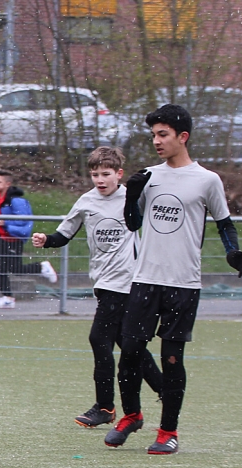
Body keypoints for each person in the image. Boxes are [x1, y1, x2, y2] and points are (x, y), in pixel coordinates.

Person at [104, 104, 242, 454]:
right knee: (130, 352)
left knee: (172, 359)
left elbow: (225, 223)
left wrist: (233, 252)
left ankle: (168, 431)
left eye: (163, 134)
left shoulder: (207, 180)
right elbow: (133, 223)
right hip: (145, 279)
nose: (156, 141)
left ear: (182, 137)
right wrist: (132, 194)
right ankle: (132, 416)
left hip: (183, 283)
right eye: (153, 135)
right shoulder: (149, 176)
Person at [32, 147, 163, 428]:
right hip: (103, 282)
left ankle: (104, 406)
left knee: (99, 338)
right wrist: (47, 240)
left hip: (128, 280)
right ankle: (164, 388)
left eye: (106, 174)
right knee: (128, 344)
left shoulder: (132, 197)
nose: (100, 180)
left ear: (119, 174)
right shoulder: (87, 201)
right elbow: (64, 234)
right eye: (95, 174)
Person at [0, 170, 57, 309]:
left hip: (13, 240)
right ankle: (7, 297)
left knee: (16, 269)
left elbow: (24, 221)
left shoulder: (16, 201)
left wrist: (6, 223)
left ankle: (42, 267)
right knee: (0, 268)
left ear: (8, 184)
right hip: (2, 239)